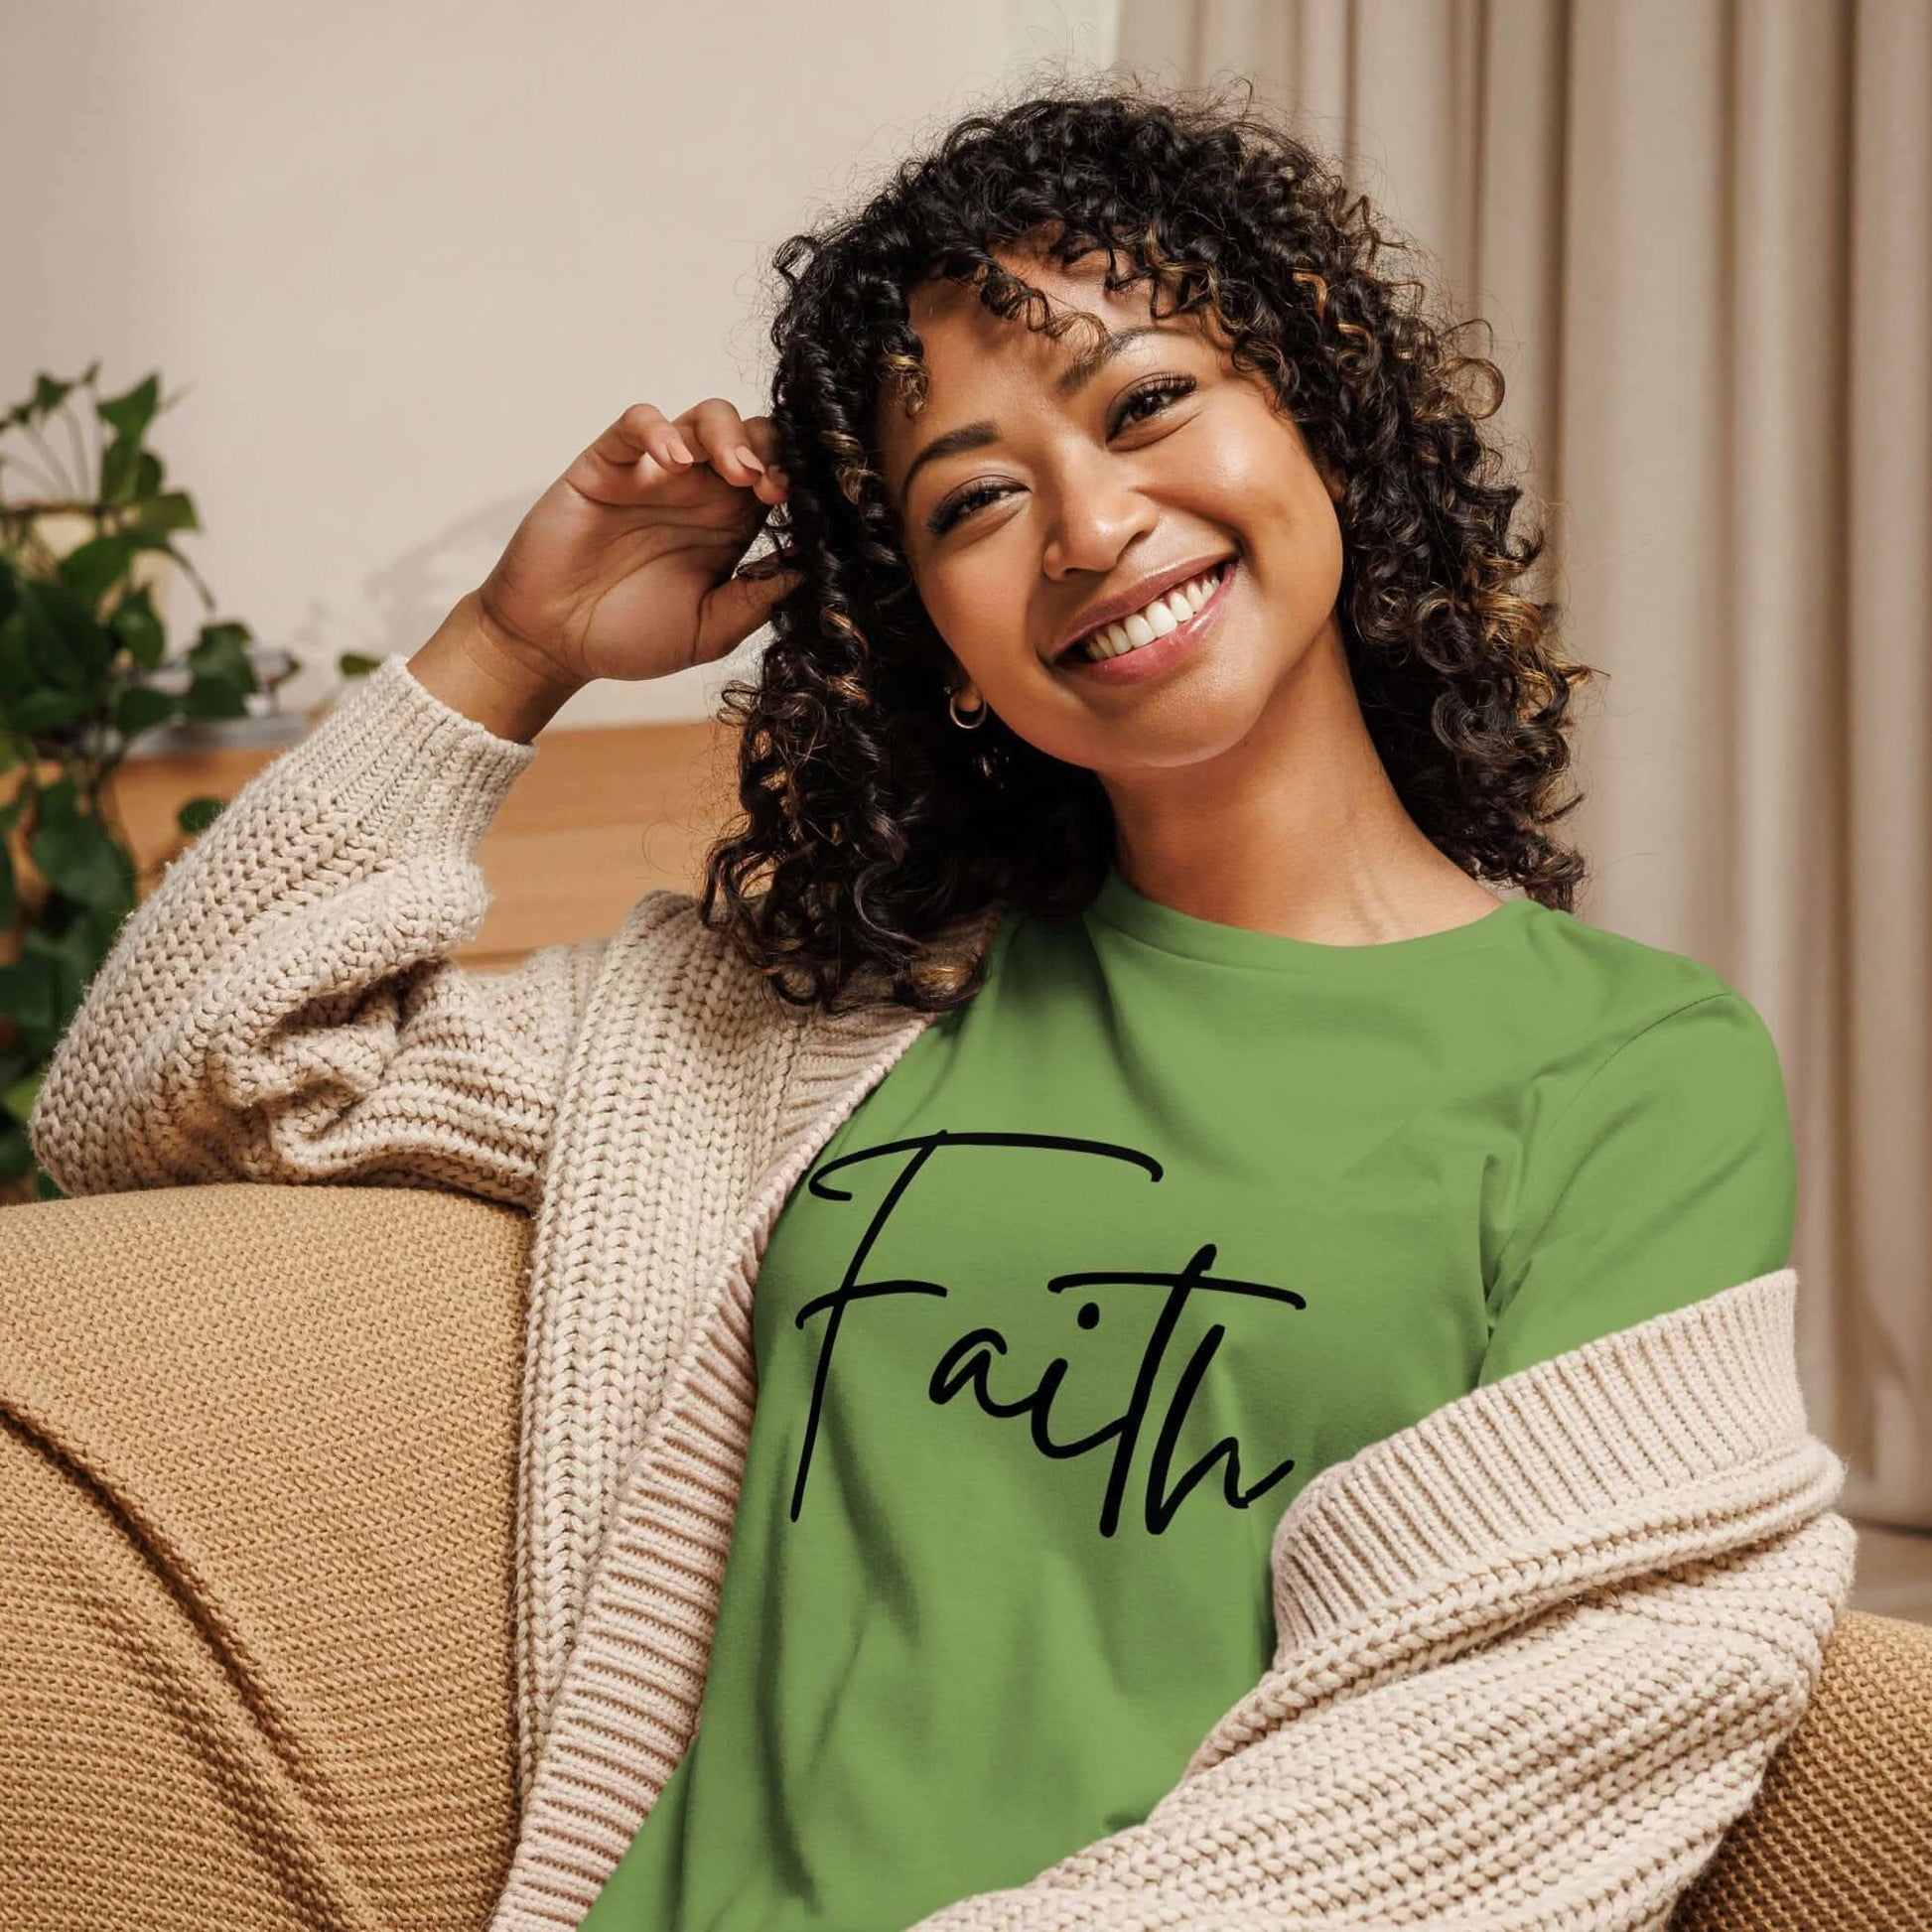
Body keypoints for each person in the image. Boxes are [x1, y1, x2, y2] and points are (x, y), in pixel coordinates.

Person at [24, 78, 1853, 1932]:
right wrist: (510, 648)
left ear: (1318, 417)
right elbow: (173, 1088)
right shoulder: (813, 1023)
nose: (1085, 523)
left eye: (1147, 402)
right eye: (974, 497)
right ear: (939, 642)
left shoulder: (1626, 1069)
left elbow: (1522, 1738)